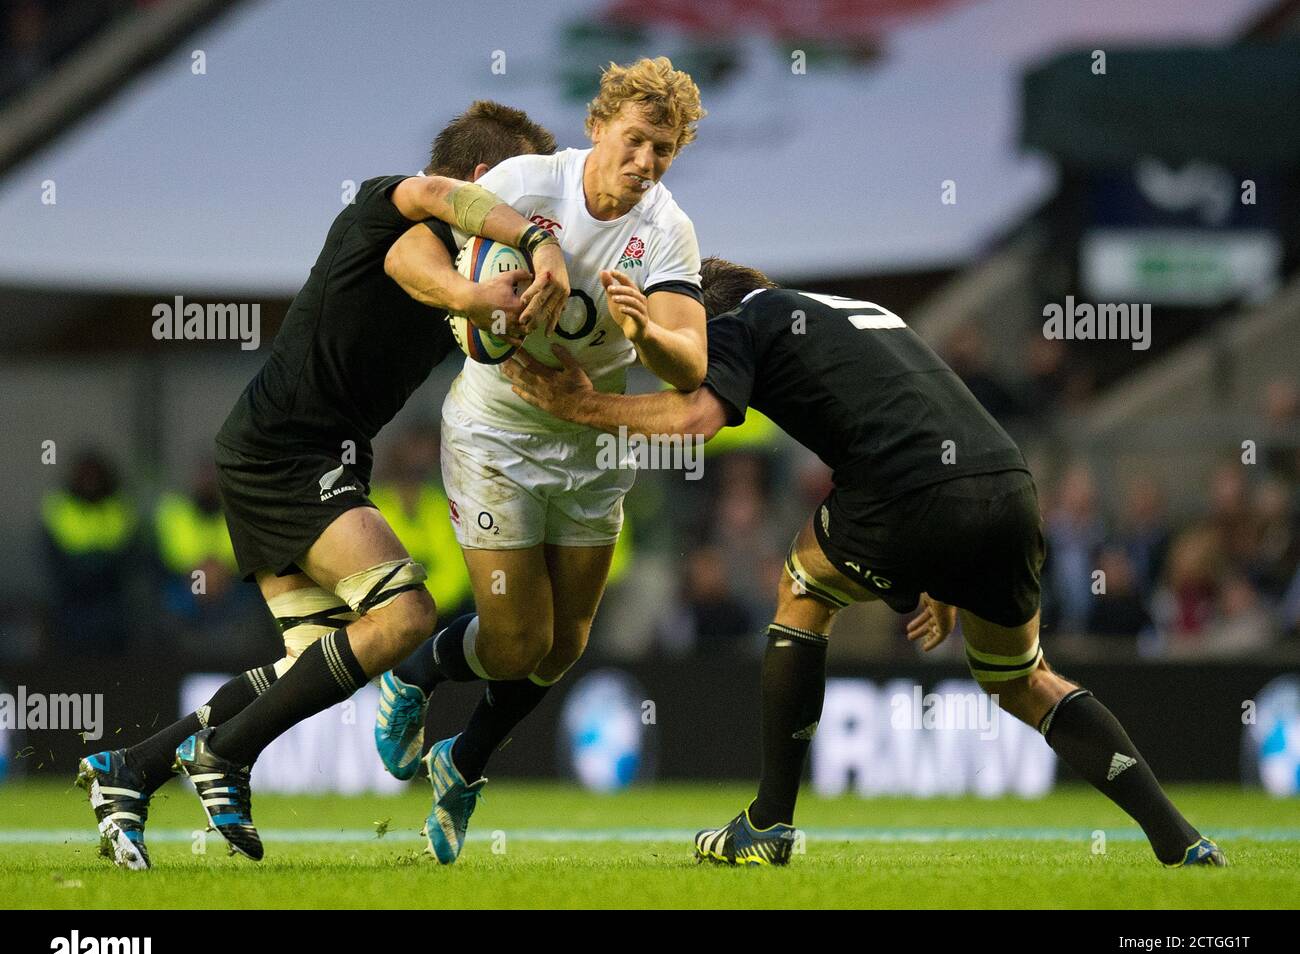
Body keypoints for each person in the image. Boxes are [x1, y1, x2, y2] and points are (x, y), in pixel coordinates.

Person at [504, 256, 1226, 869]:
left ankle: (767, 826)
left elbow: (694, 419)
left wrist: (585, 405)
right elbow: (922, 416)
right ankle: (1179, 840)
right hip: (1007, 485)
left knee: (801, 587)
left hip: (908, 487)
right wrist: (940, 573)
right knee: (1021, 678)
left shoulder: (741, 320)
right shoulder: (858, 312)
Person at [77, 101, 561, 869]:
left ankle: (132, 770)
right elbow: (418, 246)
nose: (535, 211)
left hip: (297, 451)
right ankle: (227, 756)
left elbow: (450, 292)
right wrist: (517, 251)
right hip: (289, 451)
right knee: (405, 615)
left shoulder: (463, 268)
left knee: (316, 658)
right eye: (523, 193)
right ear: (482, 180)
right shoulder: (398, 205)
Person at [379, 56, 707, 864]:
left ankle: (463, 761)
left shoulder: (666, 230)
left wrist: (646, 336)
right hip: (497, 435)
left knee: (565, 646)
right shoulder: (527, 184)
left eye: (662, 150)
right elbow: (406, 253)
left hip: (593, 445)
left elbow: (690, 368)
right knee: (516, 640)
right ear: (598, 127)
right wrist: (469, 300)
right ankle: (413, 677)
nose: (645, 162)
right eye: (634, 140)